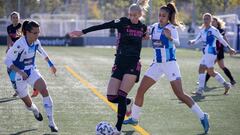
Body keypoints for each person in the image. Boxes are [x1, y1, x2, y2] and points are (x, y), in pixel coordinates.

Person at [123, 2, 210, 134]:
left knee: (180, 94)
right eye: (159, 15)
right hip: (157, 65)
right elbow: (147, 35)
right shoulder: (154, 27)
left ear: (168, 17)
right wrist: (145, 36)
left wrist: (170, 38)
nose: (161, 17)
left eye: (163, 16)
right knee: (140, 90)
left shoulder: (171, 28)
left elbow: (177, 43)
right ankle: (134, 118)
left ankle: (203, 116)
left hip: (170, 64)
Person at [68, 0, 149, 134]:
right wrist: (82, 32)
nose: (133, 17)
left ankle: (117, 129)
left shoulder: (143, 27)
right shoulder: (122, 22)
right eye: (131, 15)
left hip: (133, 64)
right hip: (119, 63)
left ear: (140, 14)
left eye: (135, 15)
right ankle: (129, 102)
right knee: (111, 97)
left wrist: (147, 36)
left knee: (121, 95)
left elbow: (146, 36)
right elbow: (104, 25)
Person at [4, 20, 58, 132]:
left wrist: (51, 65)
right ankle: (35, 110)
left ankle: (52, 123)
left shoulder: (36, 42)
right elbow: (7, 61)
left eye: (38, 32)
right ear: (27, 33)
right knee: (28, 104)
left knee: (44, 89)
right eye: (35, 33)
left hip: (31, 70)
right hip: (16, 74)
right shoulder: (19, 44)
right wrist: (20, 72)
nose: (37, 35)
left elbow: (42, 52)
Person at [189, 13, 236, 96]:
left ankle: (200, 89)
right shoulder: (202, 31)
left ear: (211, 20)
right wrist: (192, 41)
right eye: (204, 19)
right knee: (211, 72)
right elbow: (197, 39)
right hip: (205, 54)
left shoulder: (214, 30)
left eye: (207, 19)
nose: (206, 20)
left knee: (201, 68)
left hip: (211, 53)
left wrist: (230, 48)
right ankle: (226, 85)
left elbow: (221, 40)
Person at [6, 11, 39, 97]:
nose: (15, 19)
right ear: (11, 19)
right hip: (14, 53)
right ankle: (17, 89)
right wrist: (8, 47)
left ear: (19, 18)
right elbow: (9, 37)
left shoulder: (22, 27)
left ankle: (35, 88)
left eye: (16, 17)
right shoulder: (9, 28)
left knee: (28, 70)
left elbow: (25, 38)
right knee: (10, 71)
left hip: (23, 53)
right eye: (13, 17)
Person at [204, 16, 236, 86]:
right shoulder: (210, 30)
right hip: (213, 51)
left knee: (211, 66)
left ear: (217, 23)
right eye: (212, 21)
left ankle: (204, 82)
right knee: (218, 66)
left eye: (214, 21)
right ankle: (232, 80)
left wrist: (229, 48)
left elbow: (224, 40)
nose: (212, 22)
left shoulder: (219, 30)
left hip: (218, 51)